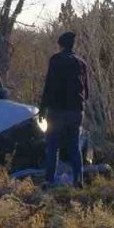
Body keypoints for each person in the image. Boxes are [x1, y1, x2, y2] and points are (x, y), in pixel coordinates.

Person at [39, 31, 89, 188]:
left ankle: (49, 180)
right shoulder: (81, 63)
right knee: (74, 146)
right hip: (76, 111)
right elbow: (86, 91)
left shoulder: (55, 60)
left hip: (57, 111)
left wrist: (42, 109)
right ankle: (78, 180)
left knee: (53, 146)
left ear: (60, 45)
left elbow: (49, 86)